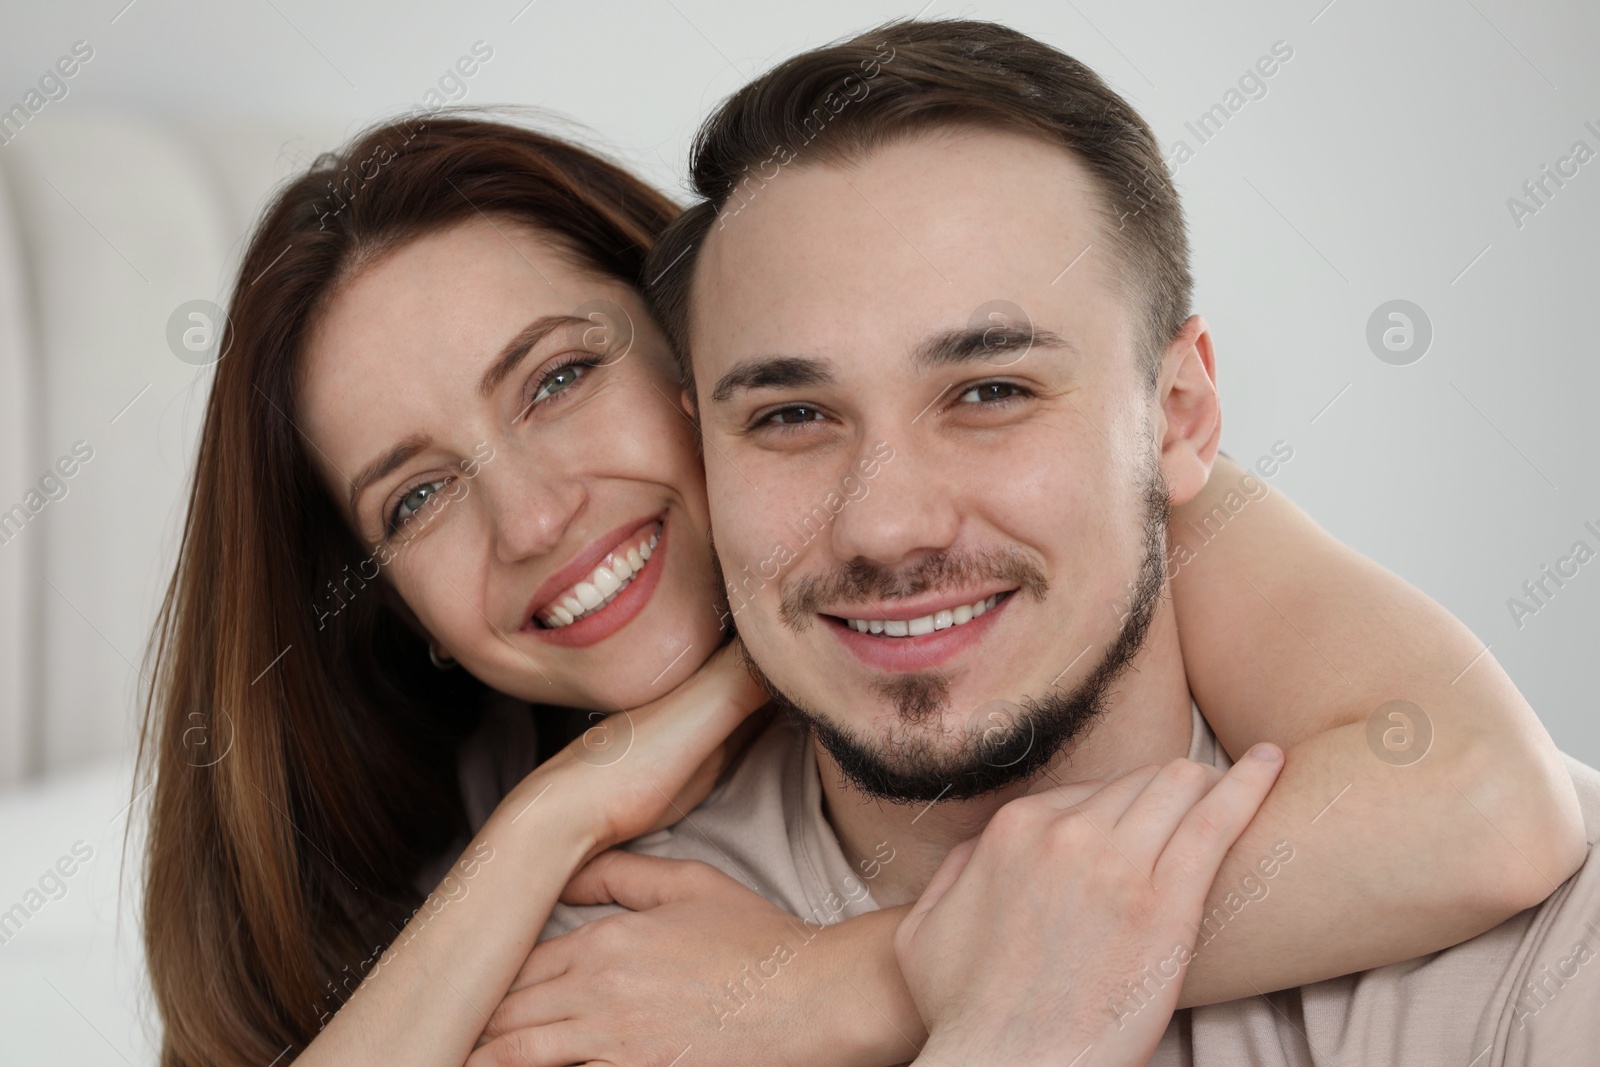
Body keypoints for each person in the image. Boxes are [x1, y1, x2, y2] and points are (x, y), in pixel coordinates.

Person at [137, 100, 1580, 1067]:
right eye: (420, 495)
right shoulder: (571, 931)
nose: (530, 516)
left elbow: (1488, 810)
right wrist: (554, 815)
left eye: (563, 379)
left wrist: (847, 987)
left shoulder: (1141, 514)